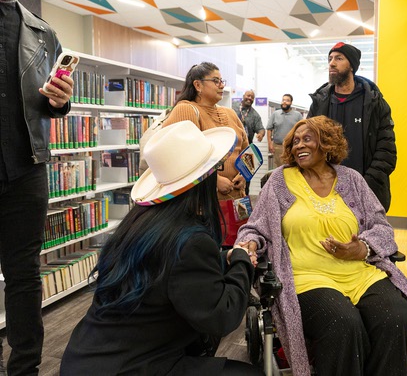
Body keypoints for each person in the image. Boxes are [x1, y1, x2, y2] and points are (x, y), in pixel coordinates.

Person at [60, 121, 263, 376]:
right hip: (133, 366)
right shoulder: (191, 239)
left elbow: (168, 272)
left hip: (88, 358)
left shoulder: (140, 223)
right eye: (216, 169)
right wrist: (242, 261)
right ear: (202, 181)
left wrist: (224, 257)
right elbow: (223, 314)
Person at [236, 116, 407, 376]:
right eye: (295, 141)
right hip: (306, 277)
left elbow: (382, 228)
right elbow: (255, 227)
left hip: (359, 273)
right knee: (343, 323)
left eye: (307, 139)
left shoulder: (353, 180)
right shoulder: (280, 182)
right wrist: (251, 244)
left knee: (395, 317)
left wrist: (362, 249)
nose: (299, 144)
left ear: (326, 144)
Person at [0, 0, 74, 374]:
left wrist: (61, 102)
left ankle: (25, 368)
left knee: (24, 275)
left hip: (26, 168)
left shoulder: (43, 33)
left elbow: (51, 103)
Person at [308, 42, 396, 211]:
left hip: (366, 192)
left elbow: (386, 151)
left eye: (339, 58)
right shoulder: (319, 103)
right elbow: (309, 144)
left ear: (352, 66)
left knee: (363, 237)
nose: (332, 63)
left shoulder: (374, 102)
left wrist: (366, 185)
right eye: (330, 58)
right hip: (326, 192)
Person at [162, 62, 248, 200]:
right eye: (215, 81)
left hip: (236, 199)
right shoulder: (186, 109)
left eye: (221, 81)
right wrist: (213, 181)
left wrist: (244, 174)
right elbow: (179, 157)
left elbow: (246, 150)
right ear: (197, 85)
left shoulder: (230, 113)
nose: (221, 85)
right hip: (203, 201)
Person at [266, 93, 302, 167]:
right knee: (279, 169)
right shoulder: (275, 114)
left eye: (287, 100)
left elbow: (302, 129)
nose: (284, 102)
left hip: (292, 147)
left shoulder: (297, 115)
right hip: (278, 147)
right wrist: (270, 144)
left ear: (291, 103)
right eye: (283, 100)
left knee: (292, 167)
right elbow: (269, 129)